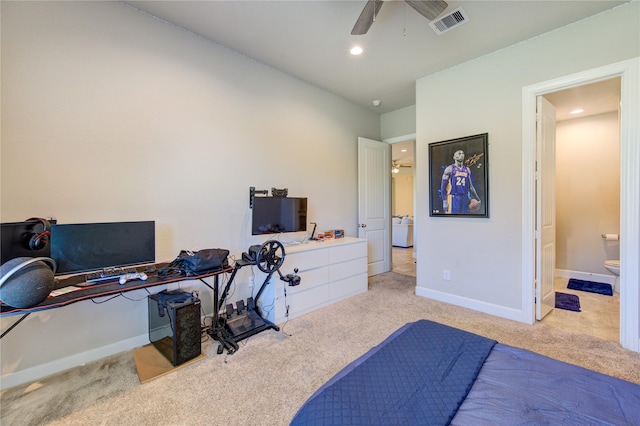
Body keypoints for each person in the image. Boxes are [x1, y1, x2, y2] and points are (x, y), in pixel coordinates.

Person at [440, 150, 480, 214]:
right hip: (453, 197)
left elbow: (470, 187)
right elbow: (443, 187)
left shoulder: (467, 170)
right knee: (451, 219)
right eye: (459, 153)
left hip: (464, 197)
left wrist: (477, 199)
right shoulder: (449, 169)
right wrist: (444, 201)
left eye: (462, 153)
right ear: (454, 157)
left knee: (464, 218)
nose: (461, 155)